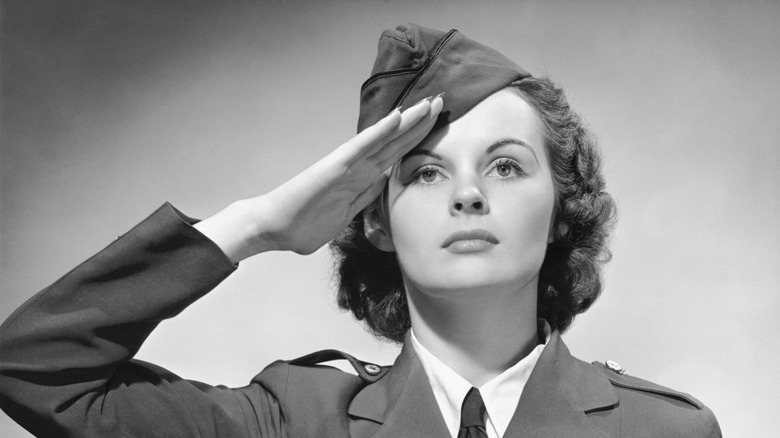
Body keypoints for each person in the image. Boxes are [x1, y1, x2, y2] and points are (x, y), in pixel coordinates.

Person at [0, 23, 721, 438]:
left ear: (562, 206)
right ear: (372, 218)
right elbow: (33, 369)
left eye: (505, 167)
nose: (468, 195)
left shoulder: (665, 432)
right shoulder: (291, 421)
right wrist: (254, 227)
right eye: (425, 174)